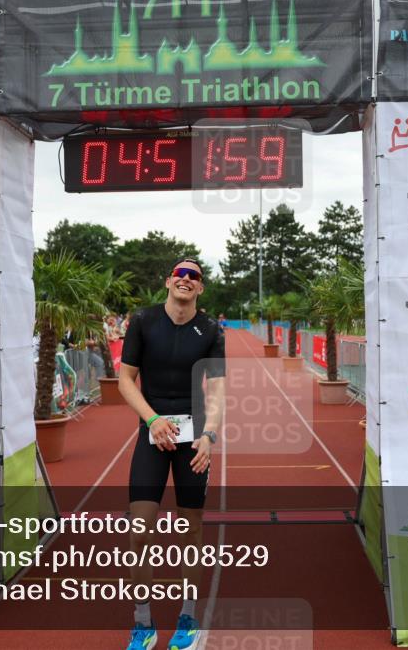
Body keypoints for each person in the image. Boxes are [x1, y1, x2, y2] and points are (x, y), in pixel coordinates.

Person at [119, 258, 226, 650]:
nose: (185, 279)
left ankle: (188, 617)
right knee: (139, 530)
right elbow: (125, 379)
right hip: (153, 432)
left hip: (193, 439)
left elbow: (217, 389)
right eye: (180, 274)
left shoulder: (211, 329)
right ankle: (143, 623)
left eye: (193, 276)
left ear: (200, 288)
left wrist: (210, 435)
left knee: (191, 529)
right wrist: (151, 420)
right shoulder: (143, 321)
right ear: (168, 281)